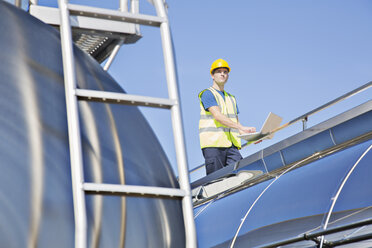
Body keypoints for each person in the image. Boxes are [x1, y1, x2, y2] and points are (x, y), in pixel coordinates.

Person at [199, 59, 256, 175]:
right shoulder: (207, 93)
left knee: (241, 174)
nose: (222, 74)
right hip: (213, 146)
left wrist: (252, 138)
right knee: (215, 182)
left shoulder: (231, 98)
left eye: (225, 72)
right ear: (212, 75)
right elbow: (217, 116)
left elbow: (238, 126)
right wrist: (242, 127)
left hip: (231, 147)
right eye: (219, 71)